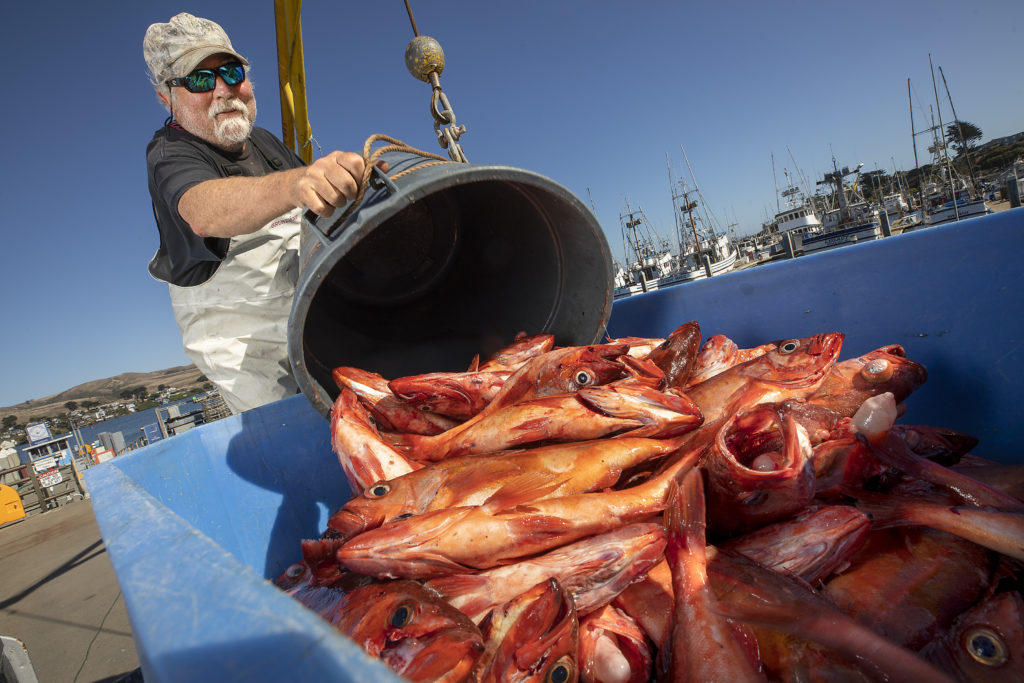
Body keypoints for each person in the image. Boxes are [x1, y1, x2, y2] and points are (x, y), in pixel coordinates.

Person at [143, 12, 367, 415]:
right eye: (199, 80)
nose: (223, 90)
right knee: (300, 433)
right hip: (246, 350)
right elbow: (202, 211)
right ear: (167, 98)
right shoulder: (170, 153)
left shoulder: (264, 142)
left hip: (309, 314)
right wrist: (294, 184)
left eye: (231, 72)